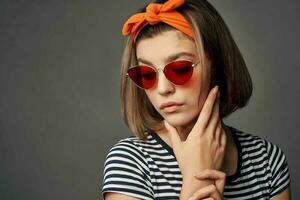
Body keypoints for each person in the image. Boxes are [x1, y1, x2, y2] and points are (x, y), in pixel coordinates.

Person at [101, 0, 291, 199]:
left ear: (216, 66)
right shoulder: (130, 162)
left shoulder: (267, 160)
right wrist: (196, 180)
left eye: (180, 69)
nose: (163, 89)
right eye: (146, 74)